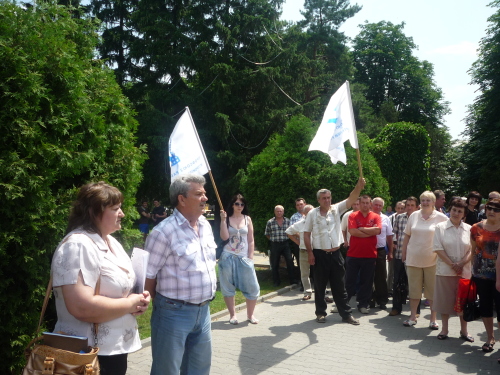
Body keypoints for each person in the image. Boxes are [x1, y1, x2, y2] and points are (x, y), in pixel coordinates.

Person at [51, 182, 150, 375]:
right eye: (115, 209)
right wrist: (129, 304)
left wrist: (139, 302)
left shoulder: (111, 241)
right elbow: (81, 306)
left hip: (113, 350)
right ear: (93, 213)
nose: (122, 214)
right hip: (86, 354)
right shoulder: (78, 245)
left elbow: (121, 289)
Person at [145, 174, 217, 375]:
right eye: (199, 194)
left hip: (203, 312)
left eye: (205, 193)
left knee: (199, 369)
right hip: (172, 313)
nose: (205, 198)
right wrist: (158, 306)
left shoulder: (205, 225)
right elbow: (148, 276)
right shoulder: (163, 232)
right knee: (166, 370)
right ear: (181, 199)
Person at [303, 177, 366, 325]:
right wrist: (310, 253)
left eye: (329, 197)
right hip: (320, 254)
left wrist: (359, 186)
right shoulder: (312, 214)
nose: (327, 200)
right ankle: (320, 313)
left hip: (336, 254)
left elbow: (351, 199)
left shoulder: (336, 209)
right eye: (324, 198)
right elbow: (306, 234)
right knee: (319, 286)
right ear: (318, 200)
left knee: (340, 286)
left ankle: (346, 315)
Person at [402, 191, 448, 328]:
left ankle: (433, 319)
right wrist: (403, 253)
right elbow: (406, 236)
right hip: (413, 259)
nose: (425, 203)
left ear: (434, 202)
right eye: (423, 200)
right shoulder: (414, 216)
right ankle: (412, 317)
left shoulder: (441, 217)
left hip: (433, 260)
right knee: (414, 290)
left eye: (428, 200)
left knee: (432, 292)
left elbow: (447, 236)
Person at [432, 198, 473, 341]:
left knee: (463, 303)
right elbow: (438, 248)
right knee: (445, 302)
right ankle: (444, 330)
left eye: (459, 211)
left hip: (464, 272)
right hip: (444, 271)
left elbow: (472, 250)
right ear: (450, 210)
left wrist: (461, 264)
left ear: (464, 214)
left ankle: (464, 331)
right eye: (454, 210)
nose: (456, 213)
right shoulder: (440, 227)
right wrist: (452, 264)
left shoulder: (469, 229)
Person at [219, 194, 260, 325]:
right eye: (237, 204)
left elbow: (251, 239)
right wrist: (222, 220)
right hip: (227, 257)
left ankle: (250, 315)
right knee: (228, 286)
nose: (240, 206)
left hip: (243, 258)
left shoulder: (247, 219)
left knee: (252, 286)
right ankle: (232, 315)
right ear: (232, 205)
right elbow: (224, 237)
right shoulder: (227, 219)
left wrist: (251, 257)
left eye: (242, 204)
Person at [471, 198, 500, 353]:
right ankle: (490, 337)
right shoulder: (476, 228)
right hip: (481, 275)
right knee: (485, 307)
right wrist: (470, 271)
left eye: (496, 209)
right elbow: (473, 251)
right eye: (489, 208)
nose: (492, 211)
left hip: (499, 277)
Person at [346, 195, 382, 313]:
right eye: (363, 203)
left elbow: (378, 230)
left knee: (366, 282)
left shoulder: (376, 216)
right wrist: (369, 231)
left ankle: (363, 304)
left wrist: (361, 228)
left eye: (367, 203)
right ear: (359, 203)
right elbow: (352, 232)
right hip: (353, 254)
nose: (365, 205)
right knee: (349, 281)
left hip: (370, 254)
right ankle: (344, 303)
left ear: (370, 204)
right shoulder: (353, 215)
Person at [390, 197, 419, 316]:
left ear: (417, 207)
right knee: (397, 281)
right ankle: (396, 307)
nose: (410, 207)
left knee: (414, 283)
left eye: (412, 205)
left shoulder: (420, 218)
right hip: (399, 255)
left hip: (415, 256)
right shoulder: (400, 217)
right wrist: (393, 246)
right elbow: (394, 234)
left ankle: (416, 310)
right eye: (408, 205)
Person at [286, 204, 314, 300]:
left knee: (321, 273)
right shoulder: (301, 223)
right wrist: (298, 242)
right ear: (304, 213)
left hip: (317, 251)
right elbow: (289, 231)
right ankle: (307, 292)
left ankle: (323, 294)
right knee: (305, 273)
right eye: (308, 212)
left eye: (312, 211)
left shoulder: (319, 222)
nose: (310, 213)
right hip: (304, 251)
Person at [371, 197, 393, 310]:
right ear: (371, 205)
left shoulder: (386, 219)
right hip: (367, 250)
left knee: (381, 276)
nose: (378, 207)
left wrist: (390, 252)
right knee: (368, 276)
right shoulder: (367, 216)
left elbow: (389, 236)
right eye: (376, 204)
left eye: (380, 205)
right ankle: (369, 299)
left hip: (380, 250)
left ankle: (382, 300)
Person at [265, 205, 295, 287]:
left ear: (283, 212)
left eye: (280, 211)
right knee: (274, 263)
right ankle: (276, 281)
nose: (279, 213)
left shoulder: (288, 221)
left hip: (285, 243)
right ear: (274, 212)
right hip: (275, 244)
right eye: (277, 211)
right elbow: (267, 234)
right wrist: (273, 240)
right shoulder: (270, 222)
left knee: (289, 262)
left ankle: (292, 281)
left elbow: (291, 232)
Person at [289, 198, 307, 287]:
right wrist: (301, 236)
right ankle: (303, 285)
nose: (300, 206)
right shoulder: (294, 217)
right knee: (301, 264)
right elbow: (291, 230)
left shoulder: (311, 214)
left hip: (312, 244)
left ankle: (315, 284)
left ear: (305, 204)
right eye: (298, 205)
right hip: (299, 244)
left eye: (301, 204)